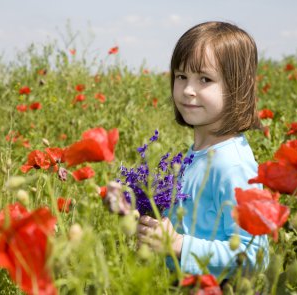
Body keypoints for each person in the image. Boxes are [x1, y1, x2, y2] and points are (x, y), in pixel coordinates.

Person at [105, 21, 269, 277]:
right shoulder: (197, 153)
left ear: (237, 87)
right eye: (181, 76)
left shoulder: (233, 165)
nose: (188, 90)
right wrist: (130, 204)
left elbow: (254, 256)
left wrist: (180, 245)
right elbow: (183, 218)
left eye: (205, 79)